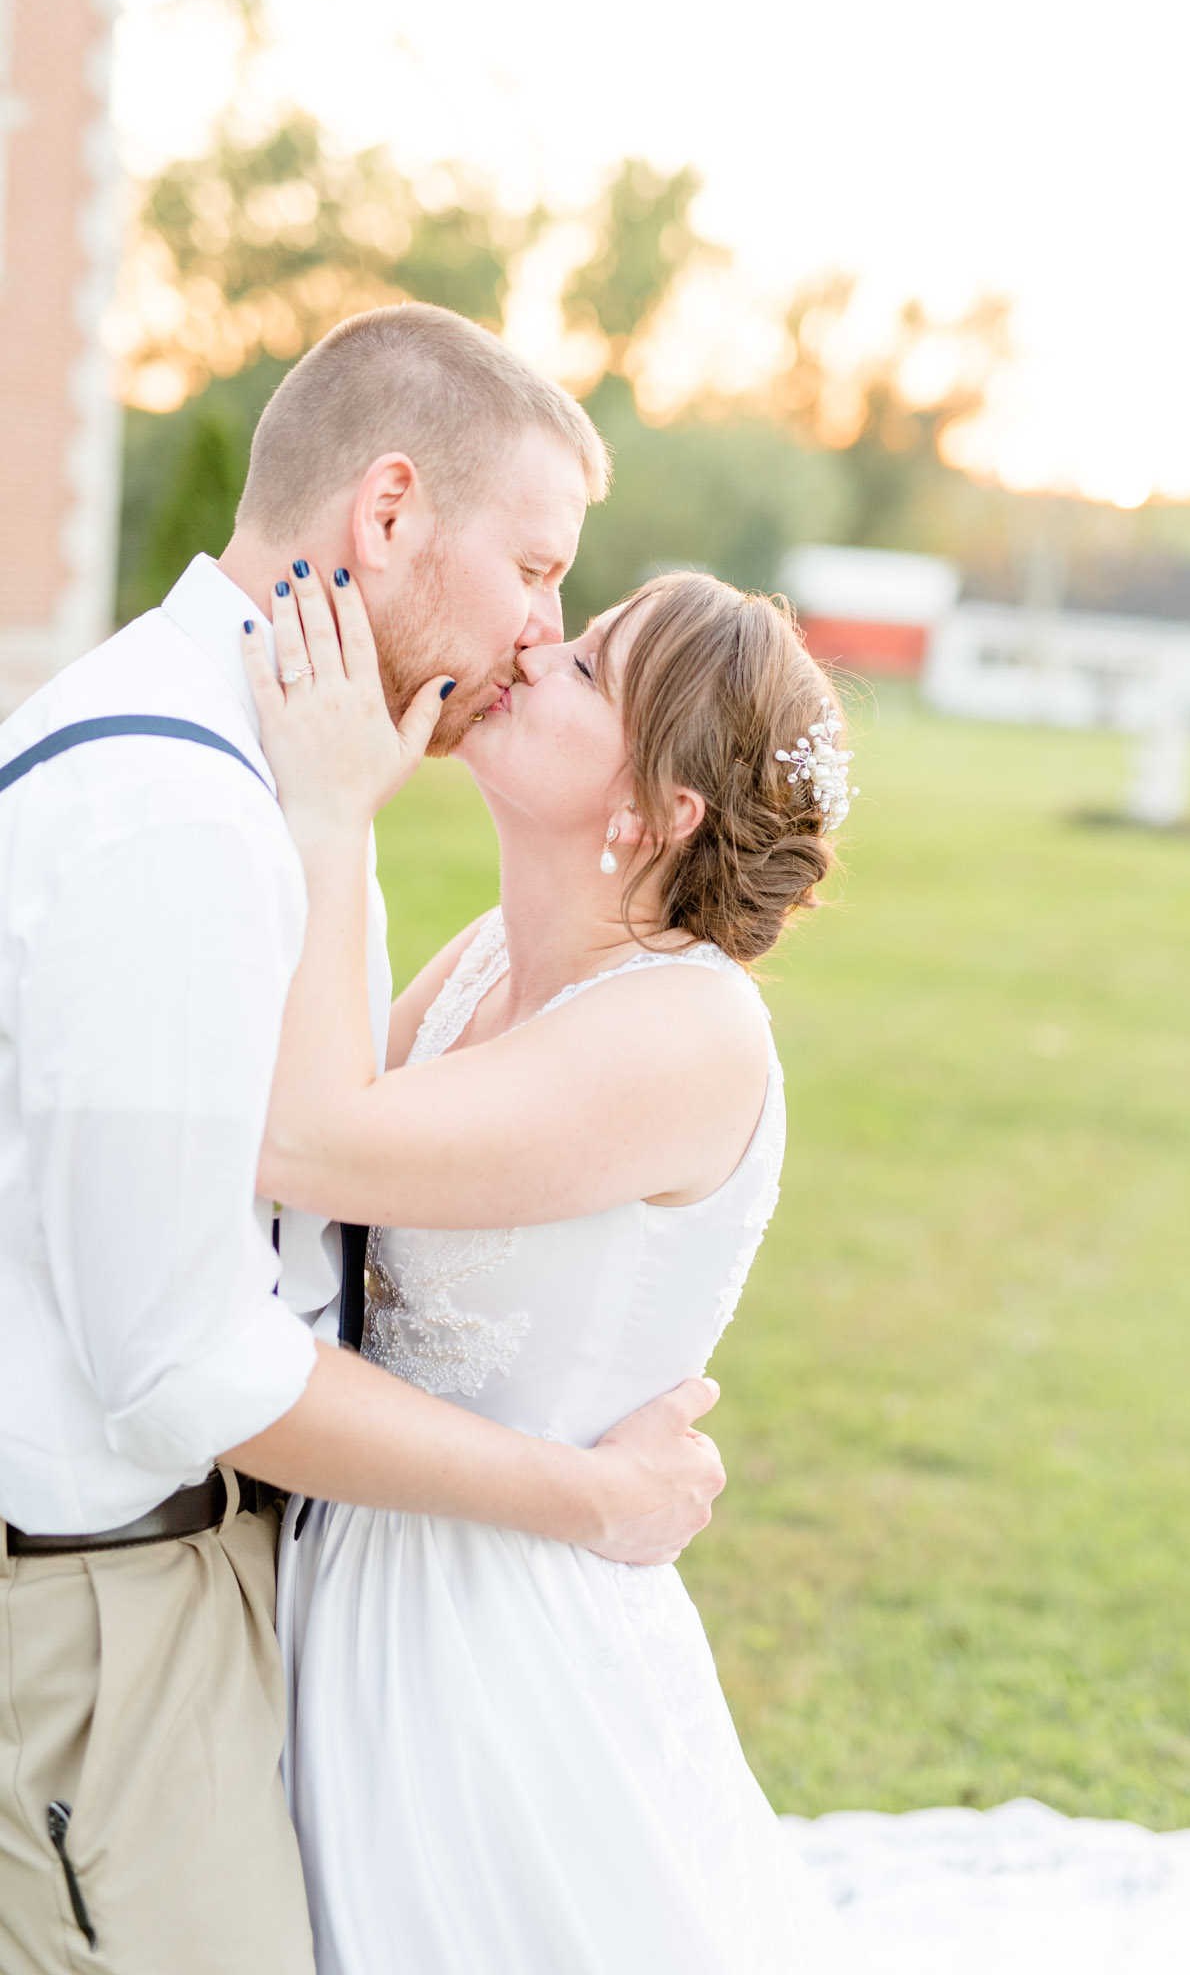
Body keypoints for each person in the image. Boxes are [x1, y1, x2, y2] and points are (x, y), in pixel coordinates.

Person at [0, 305, 724, 1975]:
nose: (542, 631)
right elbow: (180, 1360)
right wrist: (583, 1498)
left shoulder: (273, 769)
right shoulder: (178, 813)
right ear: (388, 515)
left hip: (185, 1602)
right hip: (97, 1635)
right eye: (538, 568)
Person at [241, 558, 860, 1973]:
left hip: (502, 1643)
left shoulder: (690, 1034)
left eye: (588, 665)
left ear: (659, 809)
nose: (535, 649)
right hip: (354, 1559)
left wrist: (333, 813)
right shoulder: (481, 963)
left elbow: (309, 1140)